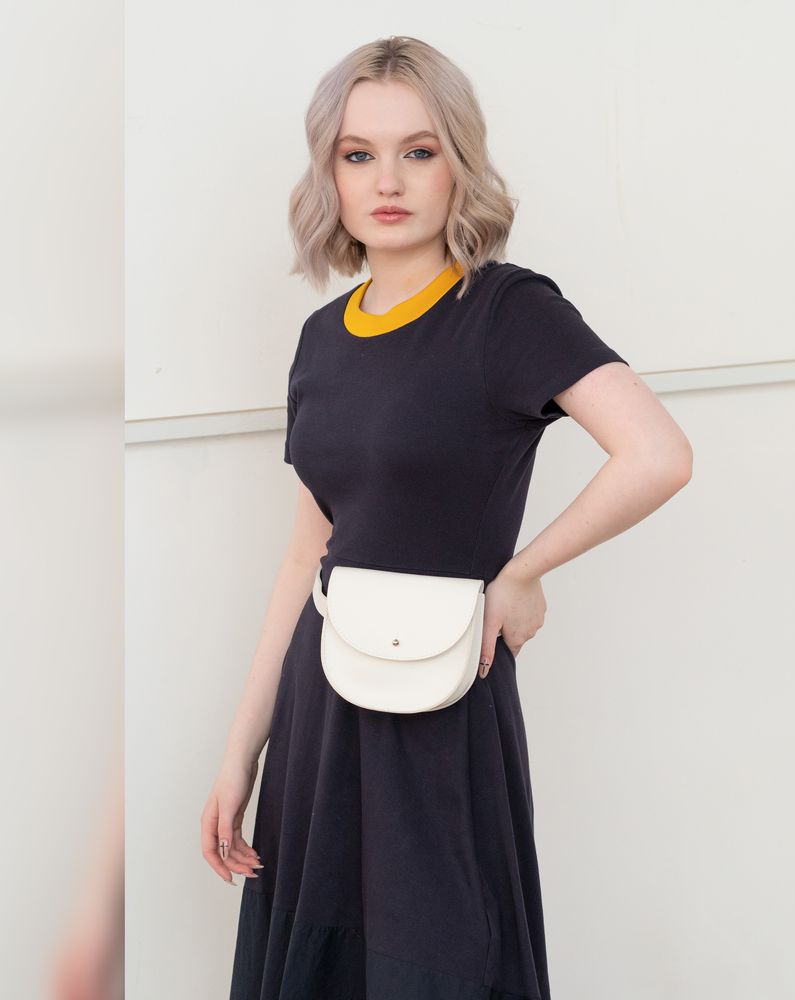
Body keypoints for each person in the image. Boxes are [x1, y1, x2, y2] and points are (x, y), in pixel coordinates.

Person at [200, 34, 693, 1000]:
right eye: (359, 154)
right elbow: (306, 557)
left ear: (459, 162)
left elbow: (658, 454)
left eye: (418, 151)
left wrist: (523, 572)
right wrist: (240, 755)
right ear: (330, 175)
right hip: (319, 713)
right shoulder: (320, 340)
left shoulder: (507, 311)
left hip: (441, 708)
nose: (387, 180)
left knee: (439, 961)